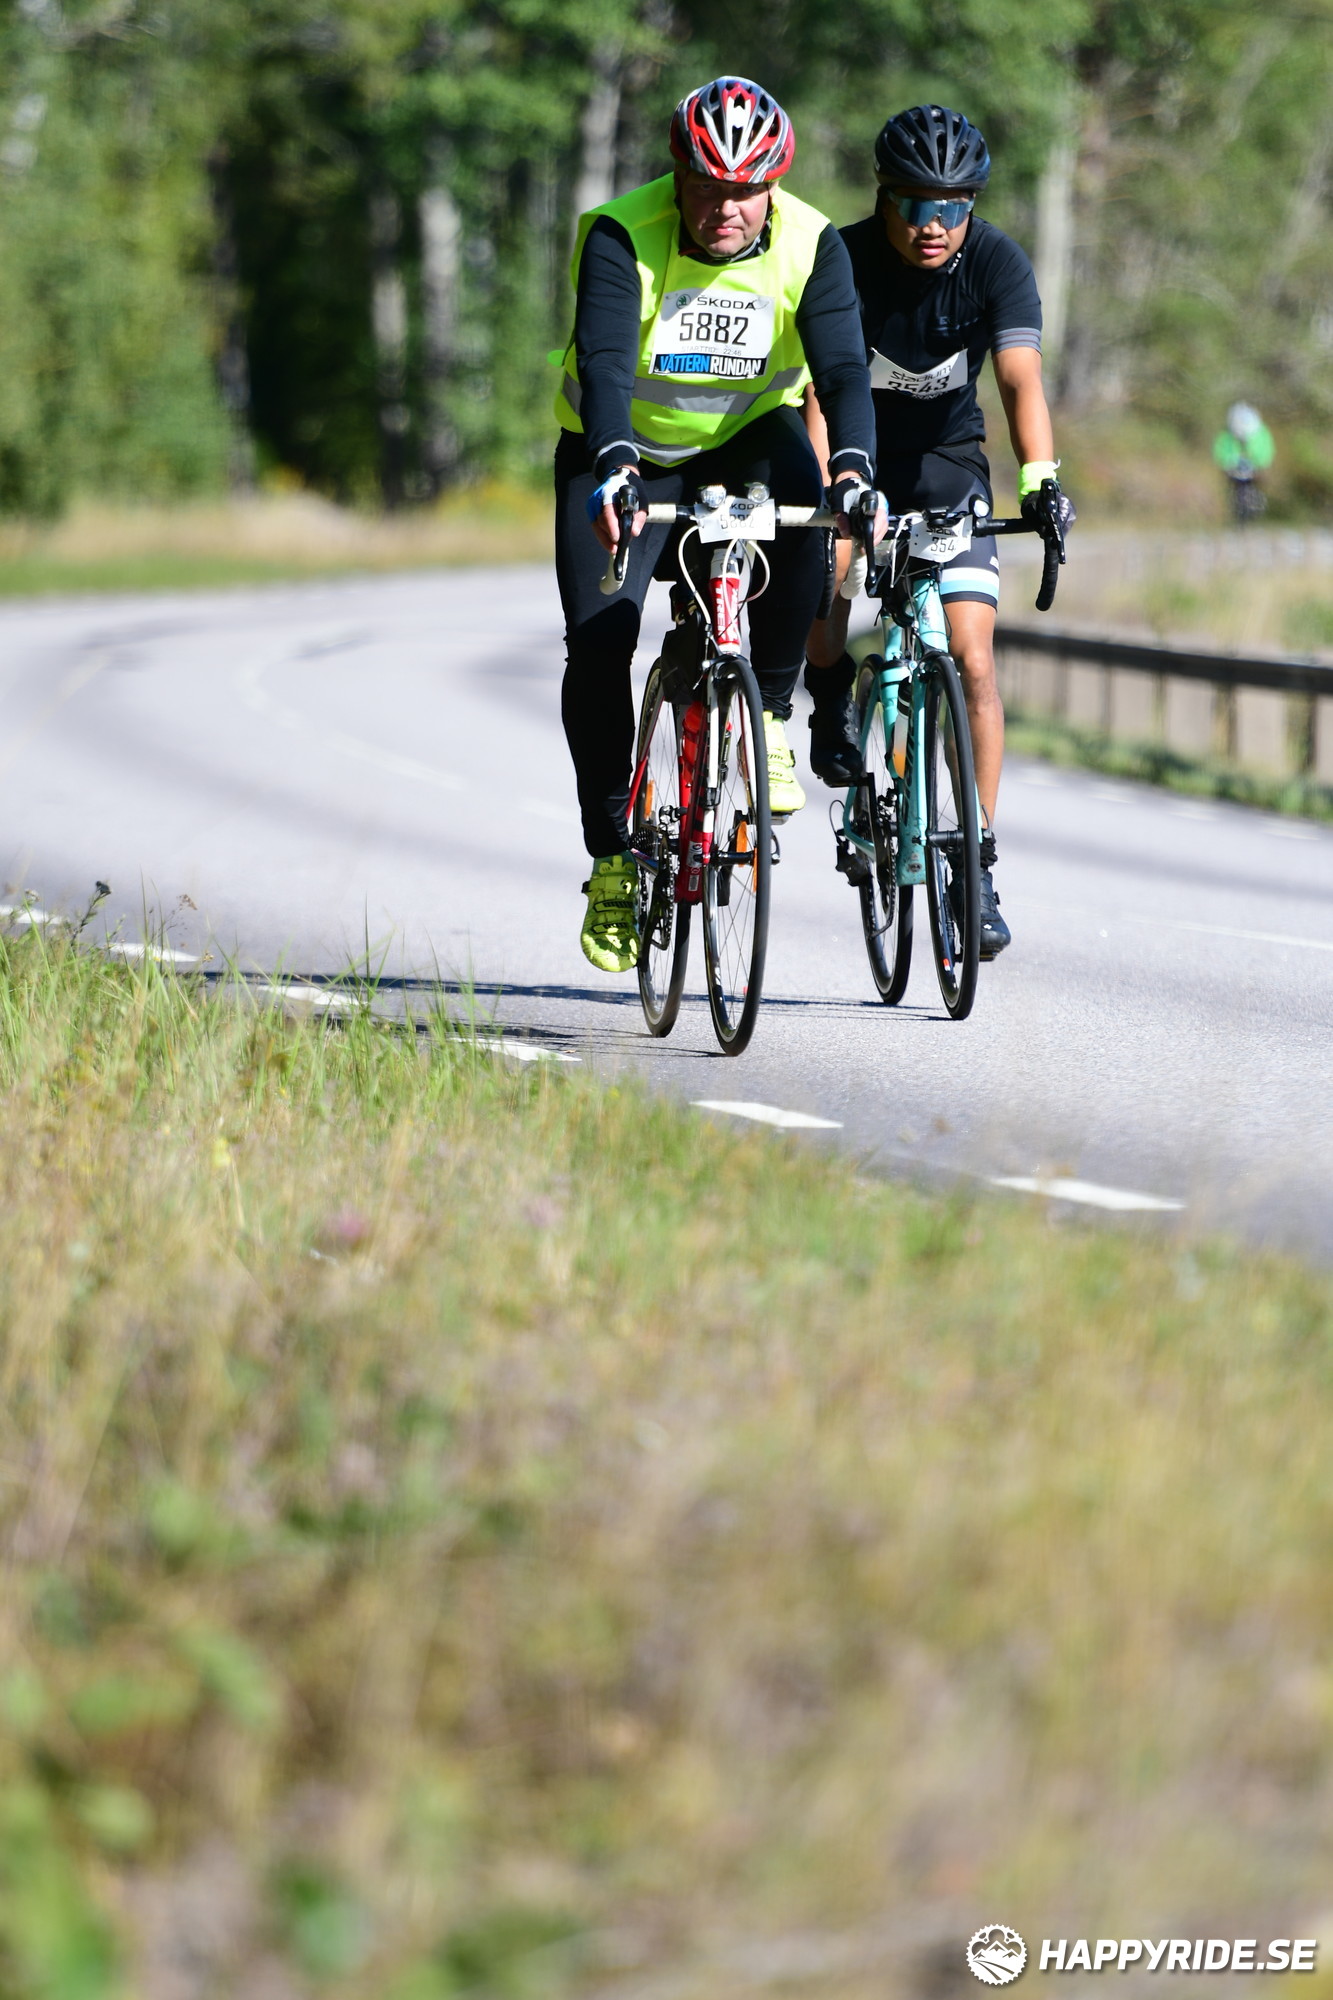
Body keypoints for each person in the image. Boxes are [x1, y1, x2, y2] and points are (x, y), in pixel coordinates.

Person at [553, 75, 881, 974]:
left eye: (745, 190)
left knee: (810, 513)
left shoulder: (812, 240)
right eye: (705, 187)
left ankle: (767, 710)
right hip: (623, 450)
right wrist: (615, 465)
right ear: (677, 177)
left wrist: (854, 470)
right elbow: (605, 364)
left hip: (743, 438)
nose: (724, 208)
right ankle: (612, 858)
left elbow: (843, 373)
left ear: (773, 184)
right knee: (599, 644)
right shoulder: (621, 232)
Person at [803, 103, 1074, 958]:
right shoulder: (842, 258)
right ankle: (825, 700)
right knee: (825, 581)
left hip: (947, 462)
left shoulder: (994, 261)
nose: (933, 224)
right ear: (882, 198)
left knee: (974, 661)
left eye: (952, 207)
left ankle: (976, 866)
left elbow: (1019, 378)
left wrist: (1039, 479)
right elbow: (819, 395)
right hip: (854, 454)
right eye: (915, 204)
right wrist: (833, 490)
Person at [1213, 402, 1274, 524]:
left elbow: (1265, 453)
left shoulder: (1260, 435)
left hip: (1253, 470)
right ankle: (1237, 511)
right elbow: (1221, 452)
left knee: (1257, 486)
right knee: (1234, 489)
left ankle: (1254, 506)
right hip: (1235, 471)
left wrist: (1260, 465)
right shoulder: (1227, 436)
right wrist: (1227, 465)